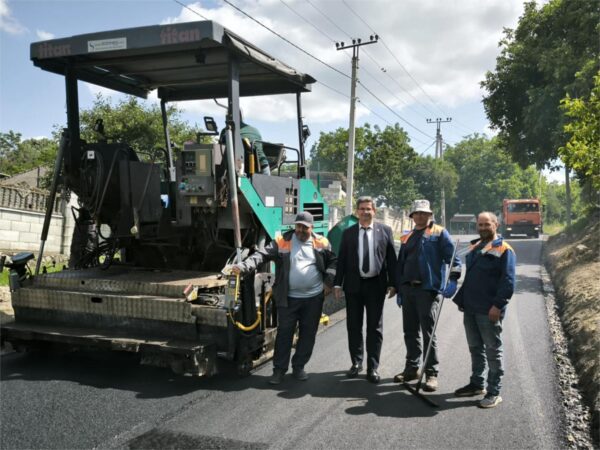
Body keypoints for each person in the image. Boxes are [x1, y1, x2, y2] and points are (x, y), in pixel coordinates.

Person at [231, 211, 336, 385]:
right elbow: (261, 255)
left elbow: (333, 262)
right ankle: (279, 370)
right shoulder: (282, 241)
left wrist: (329, 283)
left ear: (312, 227)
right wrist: (244, 266)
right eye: (298, 226)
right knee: (284, 334)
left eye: (304, 227)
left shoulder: (322, 242)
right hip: (288, 298)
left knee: (308, 334)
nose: (300, 230)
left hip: (314, 298)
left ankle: (299, 367)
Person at [394, 199, 461, 392]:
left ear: (430, 215)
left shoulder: (439, 233)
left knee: (428, 333)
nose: (420, 216)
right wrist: (399, 289)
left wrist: (453, 280)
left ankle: (431, 373)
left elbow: (454, 259)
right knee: (410, 331)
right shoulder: (406, 236)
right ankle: (412, 369)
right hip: (408, 289)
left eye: (424, 213)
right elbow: (401, 263)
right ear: (412, 216)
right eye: (417, 213)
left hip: (428, 290)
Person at [452, 211, 516, 408]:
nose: (483, 228)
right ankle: (477, 383)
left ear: (496, 225)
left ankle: (494, 391)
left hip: (489, 310)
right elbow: (466, 272)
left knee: (493, 350)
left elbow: (508, 281)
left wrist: (498, 305)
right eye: (480, 225)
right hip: (471, 307)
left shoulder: (504, 249)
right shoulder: (475, 246)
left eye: (487, 224)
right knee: (475, 348)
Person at [333, 196, 397, 384]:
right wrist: (337, 283)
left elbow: (392, 259)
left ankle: (373, 367)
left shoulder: (385, 231)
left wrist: (393, 283)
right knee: (353, 326)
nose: (365, 212)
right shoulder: (348, 233)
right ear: (357, 211)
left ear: (374, 211)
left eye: (368, 209)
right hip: (353, 286)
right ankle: (356, 362)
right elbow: (341, 260)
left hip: (376, 286)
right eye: (361, 209)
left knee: (374, 328)